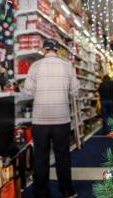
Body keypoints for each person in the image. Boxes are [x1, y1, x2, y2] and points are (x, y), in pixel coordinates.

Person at [23, 38, 79, 198]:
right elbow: (75, 91)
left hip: (40, 120)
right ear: (56, 49)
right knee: (63, 156)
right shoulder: (67, 66)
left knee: (41, 157)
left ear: (44, 49)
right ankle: (67, 190)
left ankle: (40, 193)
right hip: (61, 119)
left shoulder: (35, 66)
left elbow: (27, 91)